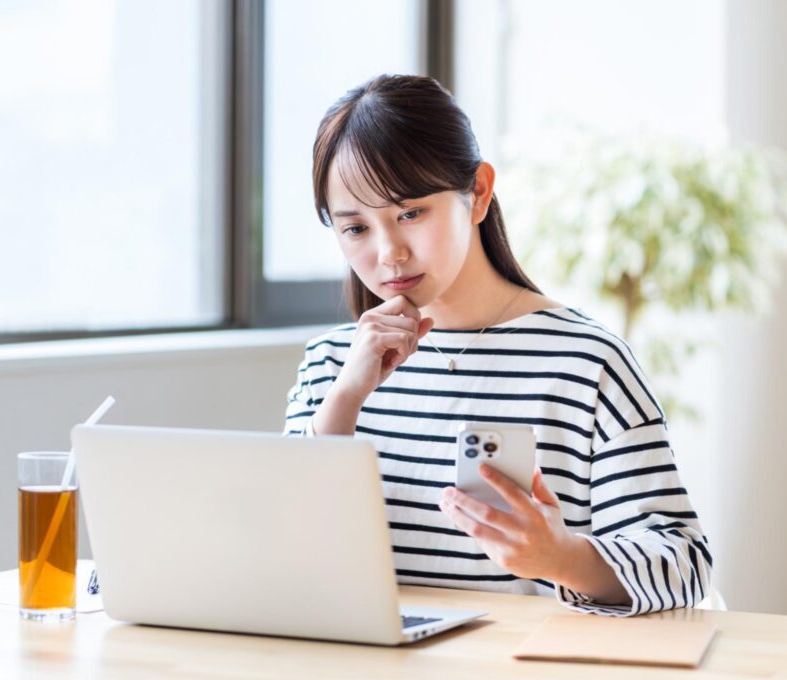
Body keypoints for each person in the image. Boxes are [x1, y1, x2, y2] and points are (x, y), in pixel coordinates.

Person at [284, 74, 712, 616]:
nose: (388, 252)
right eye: (355, 229)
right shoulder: (330, 365)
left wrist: (562, 558)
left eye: (410, 213)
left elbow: (684, 561)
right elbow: (286, 548)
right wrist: (345, 398)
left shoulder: (587, 363)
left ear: (479, 193)